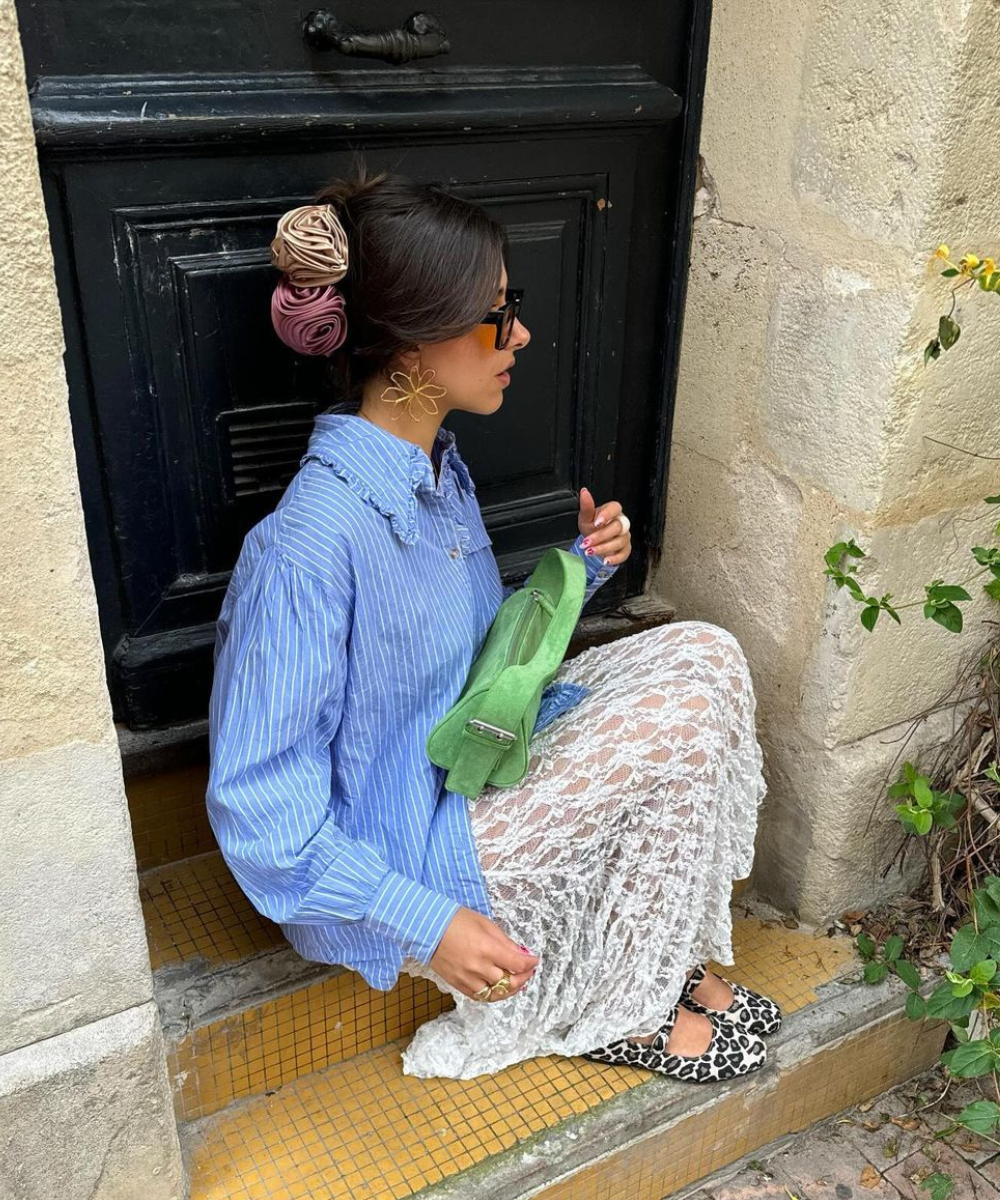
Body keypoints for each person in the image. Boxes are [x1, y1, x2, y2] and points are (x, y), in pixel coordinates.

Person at [206, 167, 776, 1085]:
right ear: (408, 348)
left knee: (705, 654)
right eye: (493, 315)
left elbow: (478, 662)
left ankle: (645, 960)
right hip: (400, 856)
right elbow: (261, 816)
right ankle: (616, 1002)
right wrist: (428, 923)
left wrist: (581, 572)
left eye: (513, 307)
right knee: (673, 728)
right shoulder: (305, 549)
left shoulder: (435, 470)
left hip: (470, 764)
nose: (520, 335)